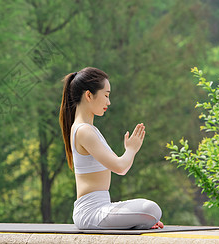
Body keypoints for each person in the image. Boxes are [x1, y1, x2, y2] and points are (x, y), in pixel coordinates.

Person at [58, 67, 164, 230]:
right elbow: (120, 167)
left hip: (101, 208)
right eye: (106, 95)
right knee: (151, 209)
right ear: (88, 95)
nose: (108, 102)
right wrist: (131, 149)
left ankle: (139, 221)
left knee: (149, 211)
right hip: (90, 212)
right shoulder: (84, 130)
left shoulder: (89, 129)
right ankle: (141, 219)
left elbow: (120, 164)